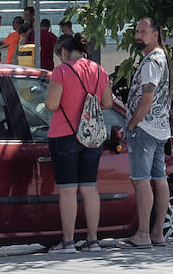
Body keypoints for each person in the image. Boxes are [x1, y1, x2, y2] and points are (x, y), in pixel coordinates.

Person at [45, 32, 113, 253]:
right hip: (91, 135)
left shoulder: (61, 71)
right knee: (89, 187)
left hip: (64, 134)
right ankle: (93, 240)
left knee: (67, 190)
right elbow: (108, 102)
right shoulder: (99, 70)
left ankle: (68, 242)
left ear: (64, 52)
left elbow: (52, 104)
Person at [123, 17, 173, 248]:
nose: (138, 35)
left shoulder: (152, 61)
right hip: (160, 129)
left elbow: (147, 97)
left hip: (144, 129)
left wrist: (132, 124)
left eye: (143, 31)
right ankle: (157, 233)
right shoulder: (162, 56)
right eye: (137, 31)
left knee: (141, 180)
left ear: (156, 34)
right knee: (159, 179)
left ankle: (143, 233)